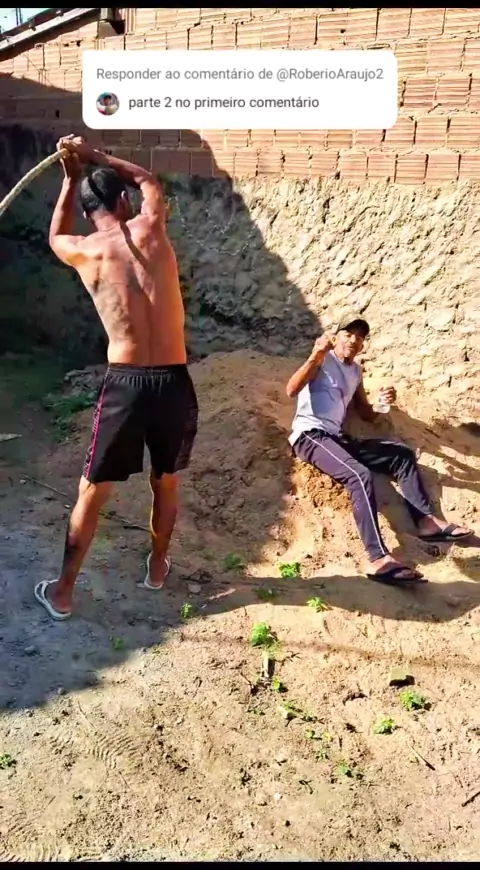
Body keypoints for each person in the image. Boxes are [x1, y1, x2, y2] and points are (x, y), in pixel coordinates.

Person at [34, 134, 198, 620]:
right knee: (166, 481)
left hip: (126, 384)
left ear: (89, 215)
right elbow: (148, 179)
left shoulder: (84, 250)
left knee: (93, 490)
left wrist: (69, 179)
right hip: (173, 379)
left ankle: (63, 593)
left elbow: (53, 237)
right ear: (123, 201)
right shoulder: (151, 227)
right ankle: (157, 567)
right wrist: (96, 157)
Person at [286, 315, 473, 586]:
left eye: (360, 337)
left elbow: (365, 413)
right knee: (358, 475)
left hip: (338, 439)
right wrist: (315, 355)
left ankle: (426, 522)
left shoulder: (355, 372)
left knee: (402, 455)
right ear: (336, 337)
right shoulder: (323, 360)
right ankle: (377, 558)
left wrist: (383, 404)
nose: (354, 340)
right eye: (348, 334)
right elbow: (291, 390)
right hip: (310, 436)